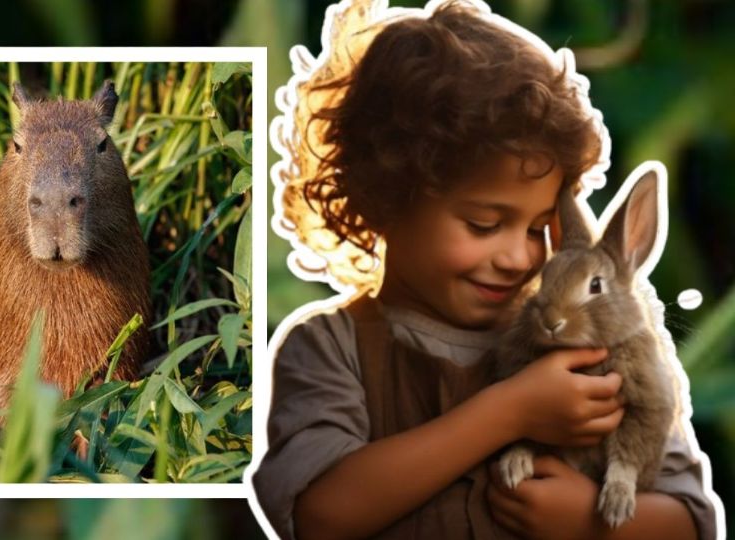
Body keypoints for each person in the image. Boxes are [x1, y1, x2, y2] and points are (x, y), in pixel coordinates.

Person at [252, 1, 720, 539]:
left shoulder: (589, 348)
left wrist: (588, 520)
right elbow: (319, 516)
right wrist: (509, 411)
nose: (518, 258)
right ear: (382, 200)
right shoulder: (329, 347)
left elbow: (689, 521)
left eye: (536, 229)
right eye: (482, 224)